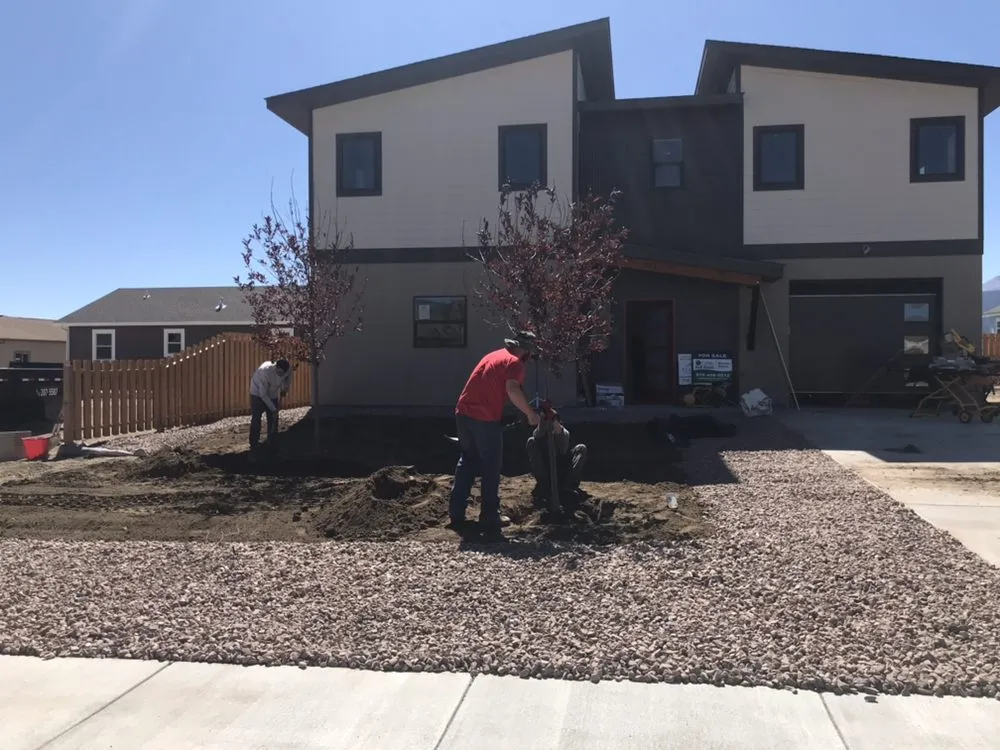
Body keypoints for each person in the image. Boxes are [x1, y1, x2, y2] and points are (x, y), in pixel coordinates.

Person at [449, 334, 540, 540]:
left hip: (463, 413)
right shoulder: (515, 363)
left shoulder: (494, 355)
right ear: (525, 350)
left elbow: (491, 385)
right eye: (530, 354)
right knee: (490, 466)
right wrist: (530, 414)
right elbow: (512, 389)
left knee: (468, 460)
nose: (530, 358)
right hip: (484, 418)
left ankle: (456, 513)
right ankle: (490, 517)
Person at [526, 408, 587, 506]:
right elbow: (538, 433)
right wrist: (543, 418)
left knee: (581, 448)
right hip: (545, 470)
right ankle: (544, 485)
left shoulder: (564, 433)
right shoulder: (540, 433)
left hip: (562, 468)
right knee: (531, 441)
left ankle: (569, 485)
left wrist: (553, 419)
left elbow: (563, 447)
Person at [249, 359, 291, 453]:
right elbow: (263, 394)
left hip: (273, 392)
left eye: (282, 373)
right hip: (257, 392)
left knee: (273, 418)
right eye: (279, 372)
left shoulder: (288, 369)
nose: (280, 375)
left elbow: (288, 379)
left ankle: (272, 442)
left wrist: (285, 389)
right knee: (256, 417)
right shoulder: (265, 371)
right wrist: (273, 408)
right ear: (276, 367)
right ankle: (254, 444)